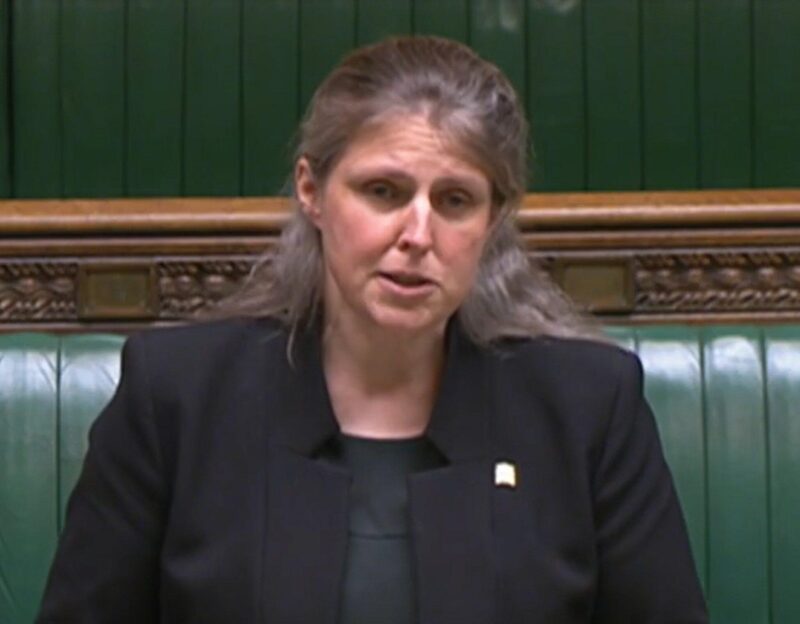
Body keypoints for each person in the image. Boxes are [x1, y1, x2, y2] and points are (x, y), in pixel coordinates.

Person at [37, 36, 708, 623]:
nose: (417, 235)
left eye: (455, 201)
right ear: (312, 191)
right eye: (383, 192)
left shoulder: (588, 407)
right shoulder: (176, 398)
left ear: (493, 219)